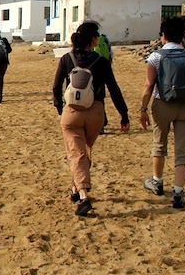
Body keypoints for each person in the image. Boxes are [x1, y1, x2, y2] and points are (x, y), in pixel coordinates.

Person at [53, 21, 130, 216]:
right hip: (96, 111)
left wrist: (60, 108)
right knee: (82, 153)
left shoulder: (66, 58)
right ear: (93, 39)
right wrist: (124, 115)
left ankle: (84, 196)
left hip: (72, 112)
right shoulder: (102, 61)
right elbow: (114, 89)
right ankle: (75, 189)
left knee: (76, 153)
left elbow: (56, 87)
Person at [140, 16, 185, 209]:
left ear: (163, 36)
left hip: (162, 104)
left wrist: (142, 109)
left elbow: (149, 86)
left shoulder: (156, 57)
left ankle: (157, 181)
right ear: (183, 36)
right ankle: (179, 192)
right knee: (183, 150)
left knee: (159, 143)